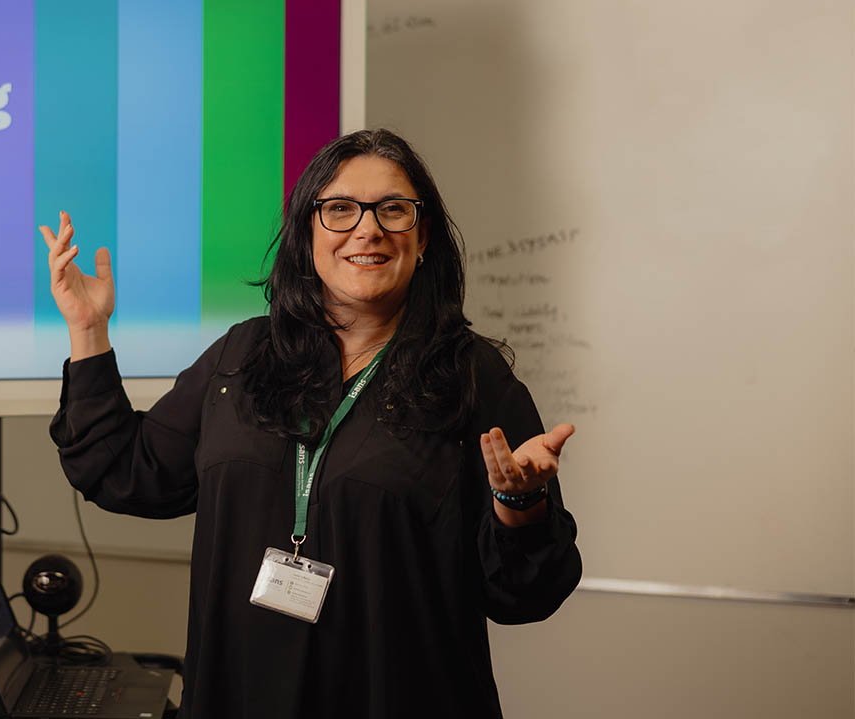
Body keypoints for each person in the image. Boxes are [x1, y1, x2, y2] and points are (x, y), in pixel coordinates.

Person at [41, 129, 581, 718]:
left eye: (393, 210)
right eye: (340, 210)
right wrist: (89, 332)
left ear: (422, 239)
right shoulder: (240, 358)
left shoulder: (475, 378)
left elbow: (523, 595)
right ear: (307, 234)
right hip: (241, 693)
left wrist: (519, 506)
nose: (367, 229)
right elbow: (126, 471)